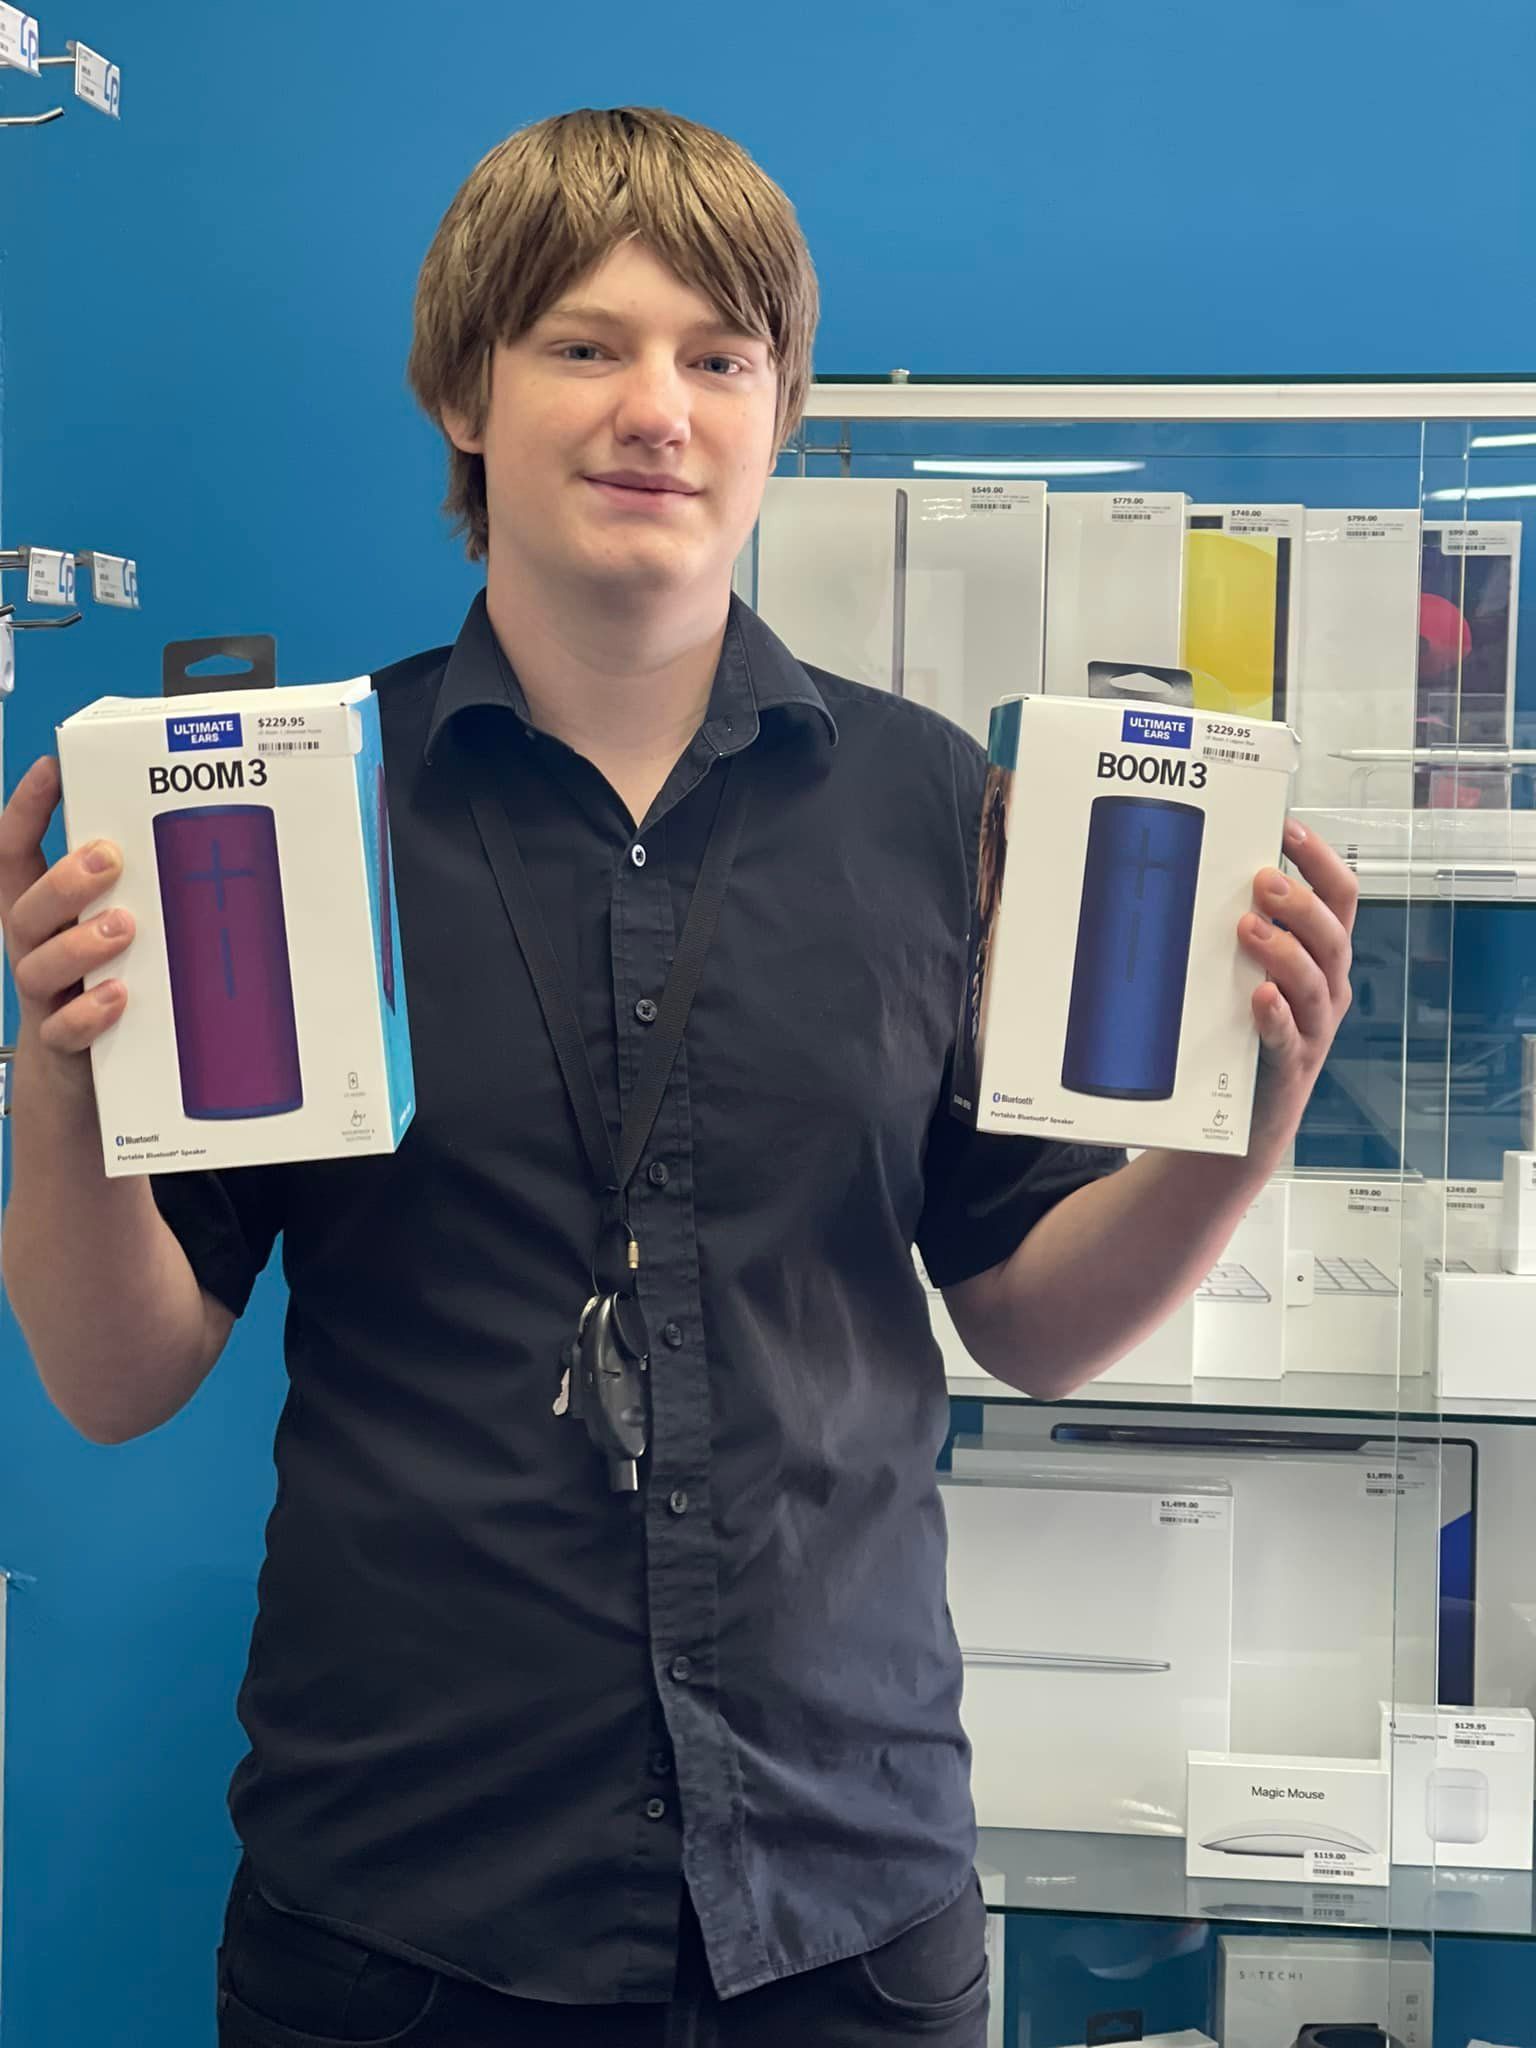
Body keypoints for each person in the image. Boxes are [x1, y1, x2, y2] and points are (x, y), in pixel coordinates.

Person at [0, 107, 1356, 2048]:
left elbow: (1039, 1317)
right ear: (465, 393)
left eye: (720, 357)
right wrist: (61, 1079)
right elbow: (117, 1374)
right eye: (586, 344)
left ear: (779, 408)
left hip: (845, 1905)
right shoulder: (298, 818)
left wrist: (1254, 1115)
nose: (661, 406)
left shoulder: (932, 814)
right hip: (404, 1912)